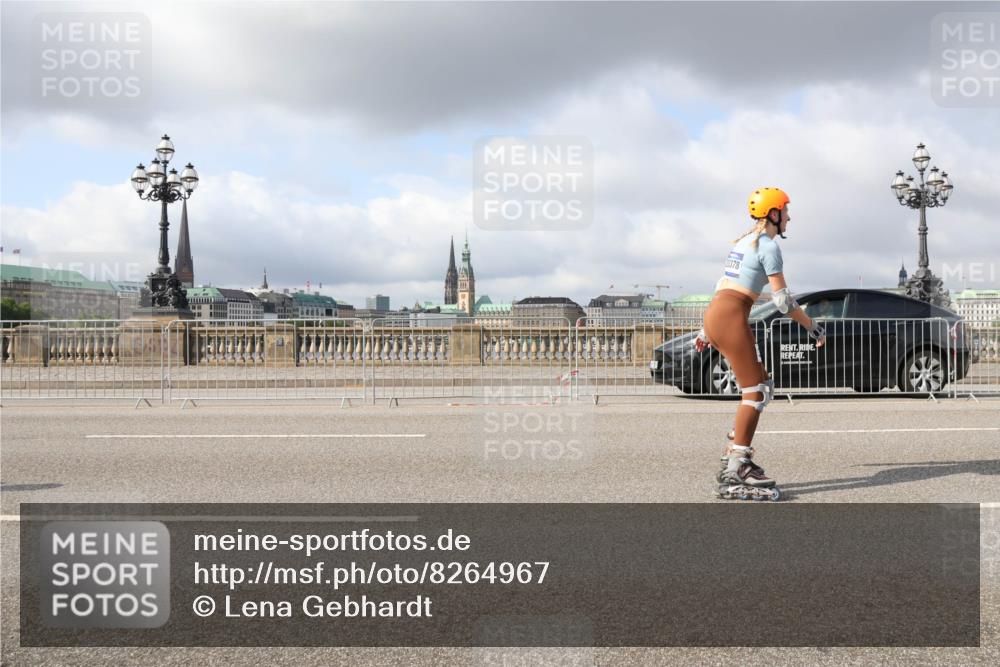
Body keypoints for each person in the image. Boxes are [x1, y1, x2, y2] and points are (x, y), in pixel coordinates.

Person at [695, 187, 826, 500]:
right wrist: (812, 327)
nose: (789, 218)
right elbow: (782, 300)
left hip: (717, 312)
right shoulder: (767, 246)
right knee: (755, 392)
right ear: (773, 214)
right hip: (730, 315)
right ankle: (736, 465)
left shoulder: (743, 242)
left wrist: (704, 331)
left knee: (762, 384)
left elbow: (721, 284)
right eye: (786, 212)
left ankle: (735, 449)